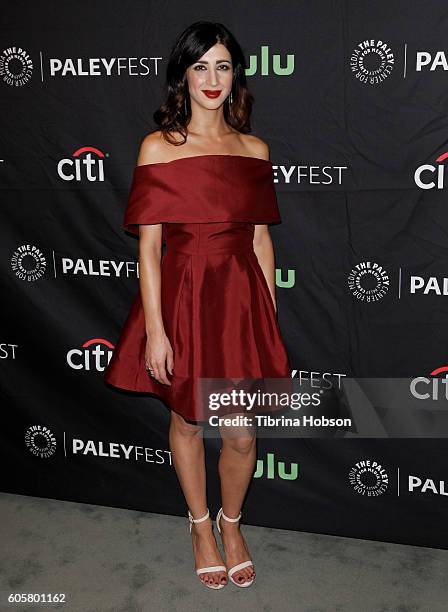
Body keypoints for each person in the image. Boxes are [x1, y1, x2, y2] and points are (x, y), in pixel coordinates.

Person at [104, 21, 291, 589]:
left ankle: (233, 524)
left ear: (237, 76)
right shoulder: (159, 147)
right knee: (186, 420)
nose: (213, 79)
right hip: (183, 298)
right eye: (201, 66)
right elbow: (151, 248)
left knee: (239, 433)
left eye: (223, 66)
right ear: (182, 77)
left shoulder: (254, 149)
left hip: (238, 302)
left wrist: (268, 318)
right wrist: (156, 332)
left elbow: (260, 239)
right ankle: (200, 526)